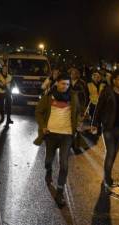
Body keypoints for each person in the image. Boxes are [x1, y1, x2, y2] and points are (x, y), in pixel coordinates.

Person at [34, 74, 82, 207]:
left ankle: (59, 193)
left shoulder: (73, 96)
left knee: (64, 164)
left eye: (67, 84)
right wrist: (43, 126)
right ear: (56, 84)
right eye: (62, 84)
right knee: (48, 160)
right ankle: (49, 171)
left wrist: (77, 123)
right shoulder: (49, 96)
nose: (65, 86)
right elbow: (38, 111)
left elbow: (78, 112)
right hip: (51, 134)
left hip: (67, 135)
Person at [93, 71, 119, 189]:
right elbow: (99, 108)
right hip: (108, 127)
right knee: (111, 152)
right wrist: (95, 123)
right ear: (114, 80)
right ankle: (107, 177)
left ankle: (107, 174)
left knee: (114, 154)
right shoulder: (107, 91)